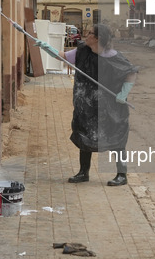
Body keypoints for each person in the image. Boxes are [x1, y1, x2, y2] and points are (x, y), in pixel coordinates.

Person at [35, 24, 138, 186]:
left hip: (110, 108)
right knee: (84, 135)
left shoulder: (113, 57)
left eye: (90, 33)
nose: (86, 35)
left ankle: (122, 175)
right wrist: (48, 49)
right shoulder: (82, 51)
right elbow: (62, 56)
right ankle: (84, 172)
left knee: (116, 138)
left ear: (98, 38)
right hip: (86, 105)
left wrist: (123, 94)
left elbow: (131, 72)